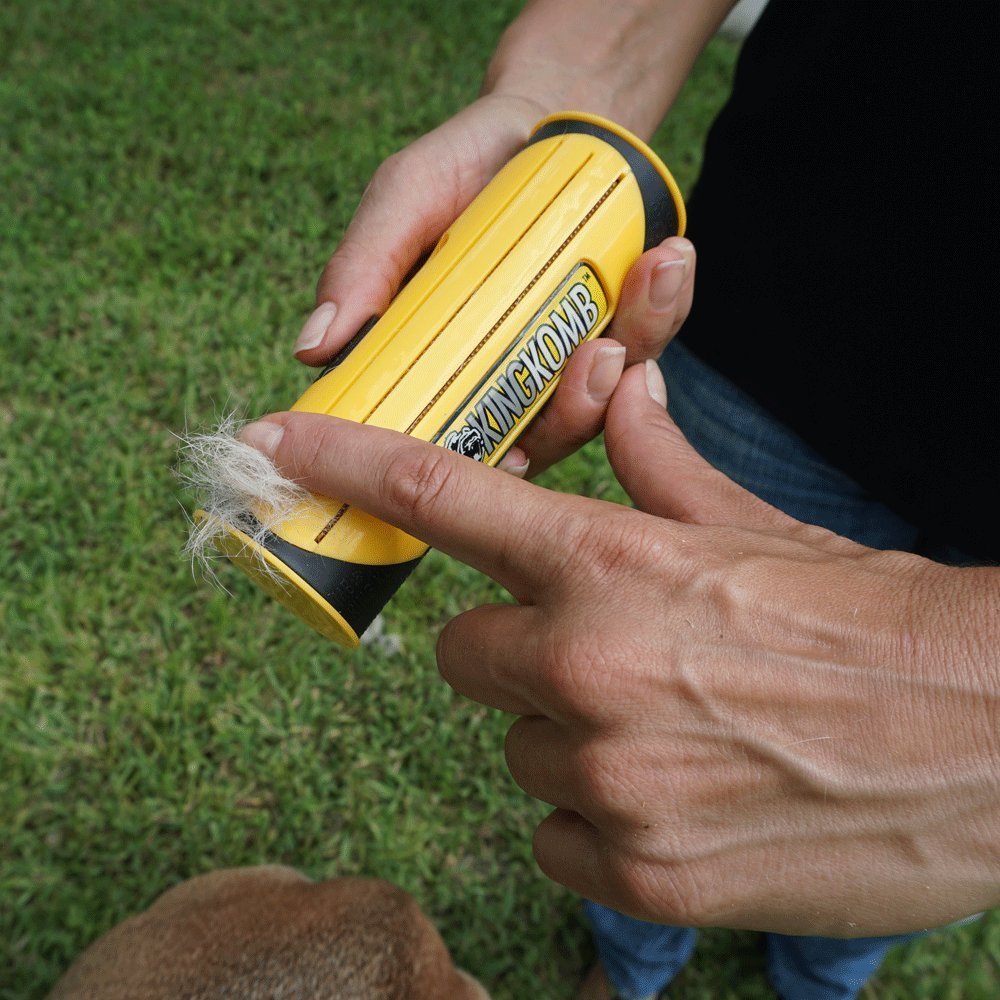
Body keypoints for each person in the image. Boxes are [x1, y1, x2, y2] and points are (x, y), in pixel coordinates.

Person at [241, 2, 1000, 998]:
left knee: (896, 843)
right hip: (782, 331)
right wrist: (559, 107)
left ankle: (823, 975)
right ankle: (631, 964)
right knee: (655, 749)